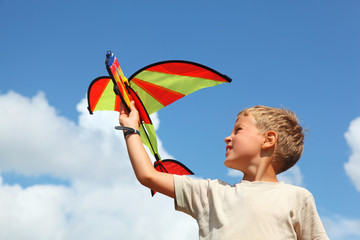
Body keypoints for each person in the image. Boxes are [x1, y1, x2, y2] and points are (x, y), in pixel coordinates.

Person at [119, 101, 329, 240]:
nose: (227, 137)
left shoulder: (297, 198)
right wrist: (131, 129)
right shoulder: (211, 193)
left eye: (238, 129)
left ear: (268, 139)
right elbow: (148, 175)